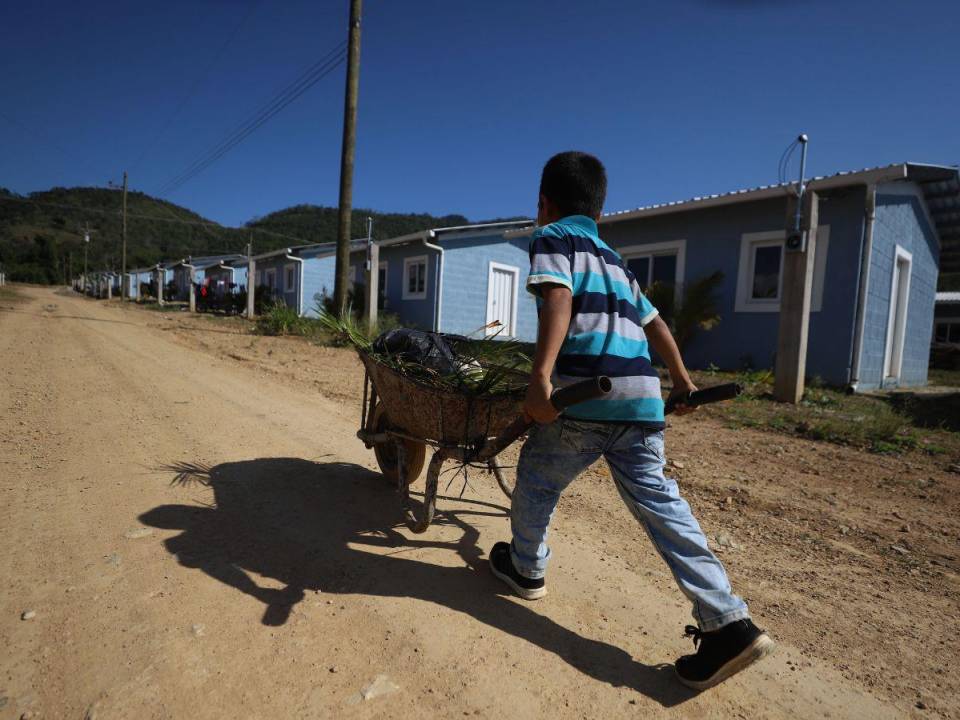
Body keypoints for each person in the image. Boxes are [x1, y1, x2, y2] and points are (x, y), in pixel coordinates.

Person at [488, 151, 774, 690]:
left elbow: (557, 299)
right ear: (599, 209)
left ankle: (525, 566)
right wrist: (683, 381)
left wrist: (541, 379)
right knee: (662, 505)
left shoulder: (552, 238)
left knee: (537, 478)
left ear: (544, 203)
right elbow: (657, 325)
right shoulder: (617, 262)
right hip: (641, 398)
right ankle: (728, 620)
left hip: (584, 394)